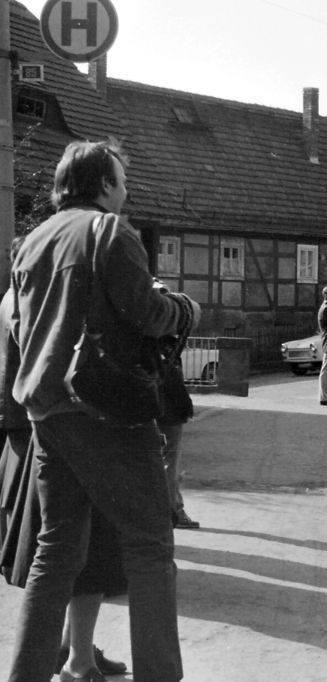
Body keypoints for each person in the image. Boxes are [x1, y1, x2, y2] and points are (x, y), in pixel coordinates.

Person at [8, 140, 200, 682]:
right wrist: (184, 308)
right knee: (150, 546)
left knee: (56, 551)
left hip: (47, 414)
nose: (127, 191)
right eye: (122, 181)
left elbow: (20, 330)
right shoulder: (110, 231)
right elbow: (147, 313)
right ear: (105, 185)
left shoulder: (30, 243)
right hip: (107, 410)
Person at [2, 238, 129, 682]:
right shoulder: (34, 300)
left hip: (29, 435)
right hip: (55, 436)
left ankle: (73, 649)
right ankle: (77, 660)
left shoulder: (16, 297)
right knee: (80, 551)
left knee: (64, 551)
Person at [157, 330, 199, 530]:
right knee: (169, 464)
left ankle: (167, 510)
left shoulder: (144, 347)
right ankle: (174, 511)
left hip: (151, 413)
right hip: (169, 415)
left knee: (159, 462)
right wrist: (186, 409)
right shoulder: (167, 353)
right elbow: (175, 386)